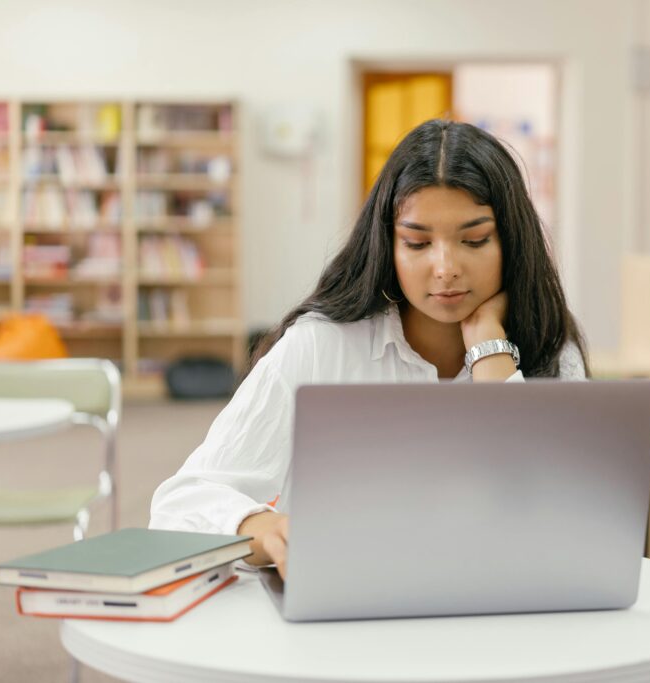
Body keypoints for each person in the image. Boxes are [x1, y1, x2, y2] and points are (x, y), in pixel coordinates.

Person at [149, 119, 588, 579]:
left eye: (474, 240)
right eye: (417, 243)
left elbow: (562, 525)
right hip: (346, 618)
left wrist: (492, 352)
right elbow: (180, 505)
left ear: (511, 242)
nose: (445, 268)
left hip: (502, 609)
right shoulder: (320, 347)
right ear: (388, 246)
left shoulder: (552, 353)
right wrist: (264, 529)